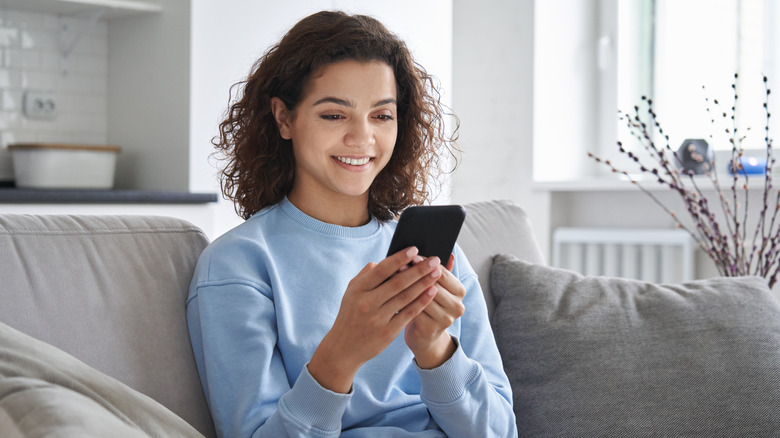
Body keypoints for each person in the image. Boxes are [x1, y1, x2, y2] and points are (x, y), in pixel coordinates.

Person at [186, 10, 517, 438]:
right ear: (284, 118)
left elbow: (500, 432)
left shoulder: (439, 260)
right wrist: (340, 355)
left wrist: (435, 351)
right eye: (333, 115)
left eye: (382, 116)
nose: (362, 138)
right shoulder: (237, 266)